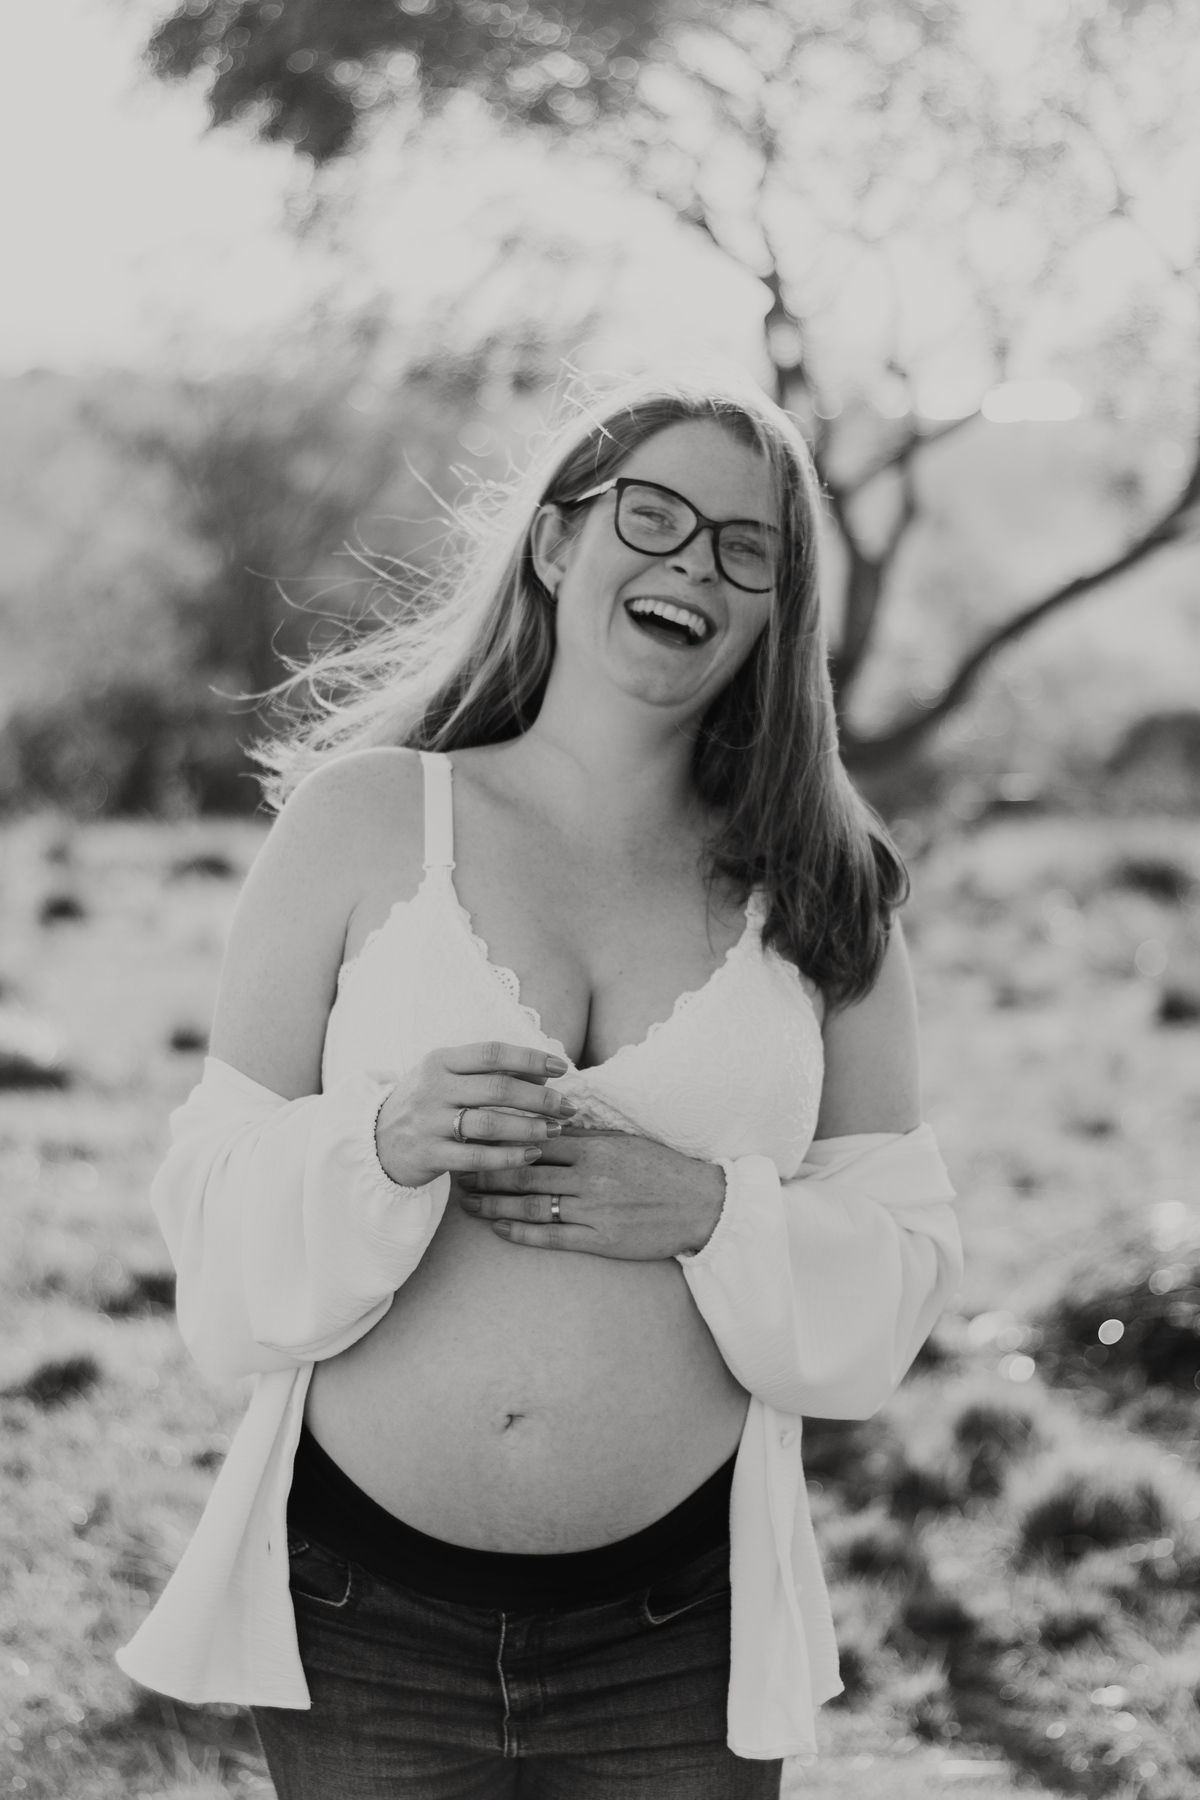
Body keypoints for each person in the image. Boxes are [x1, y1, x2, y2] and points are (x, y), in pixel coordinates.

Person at [117, 372, 962, 1799]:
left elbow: (906, 1263)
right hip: (359, 1619)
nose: (693, 563)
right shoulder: (362, 823)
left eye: (744, 548)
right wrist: (383, 1143)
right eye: (654, 515)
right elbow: (207, 1211)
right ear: (559, 541)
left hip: (680, 1636)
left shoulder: (827, 888)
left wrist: (705, 1211)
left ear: (776, 611)